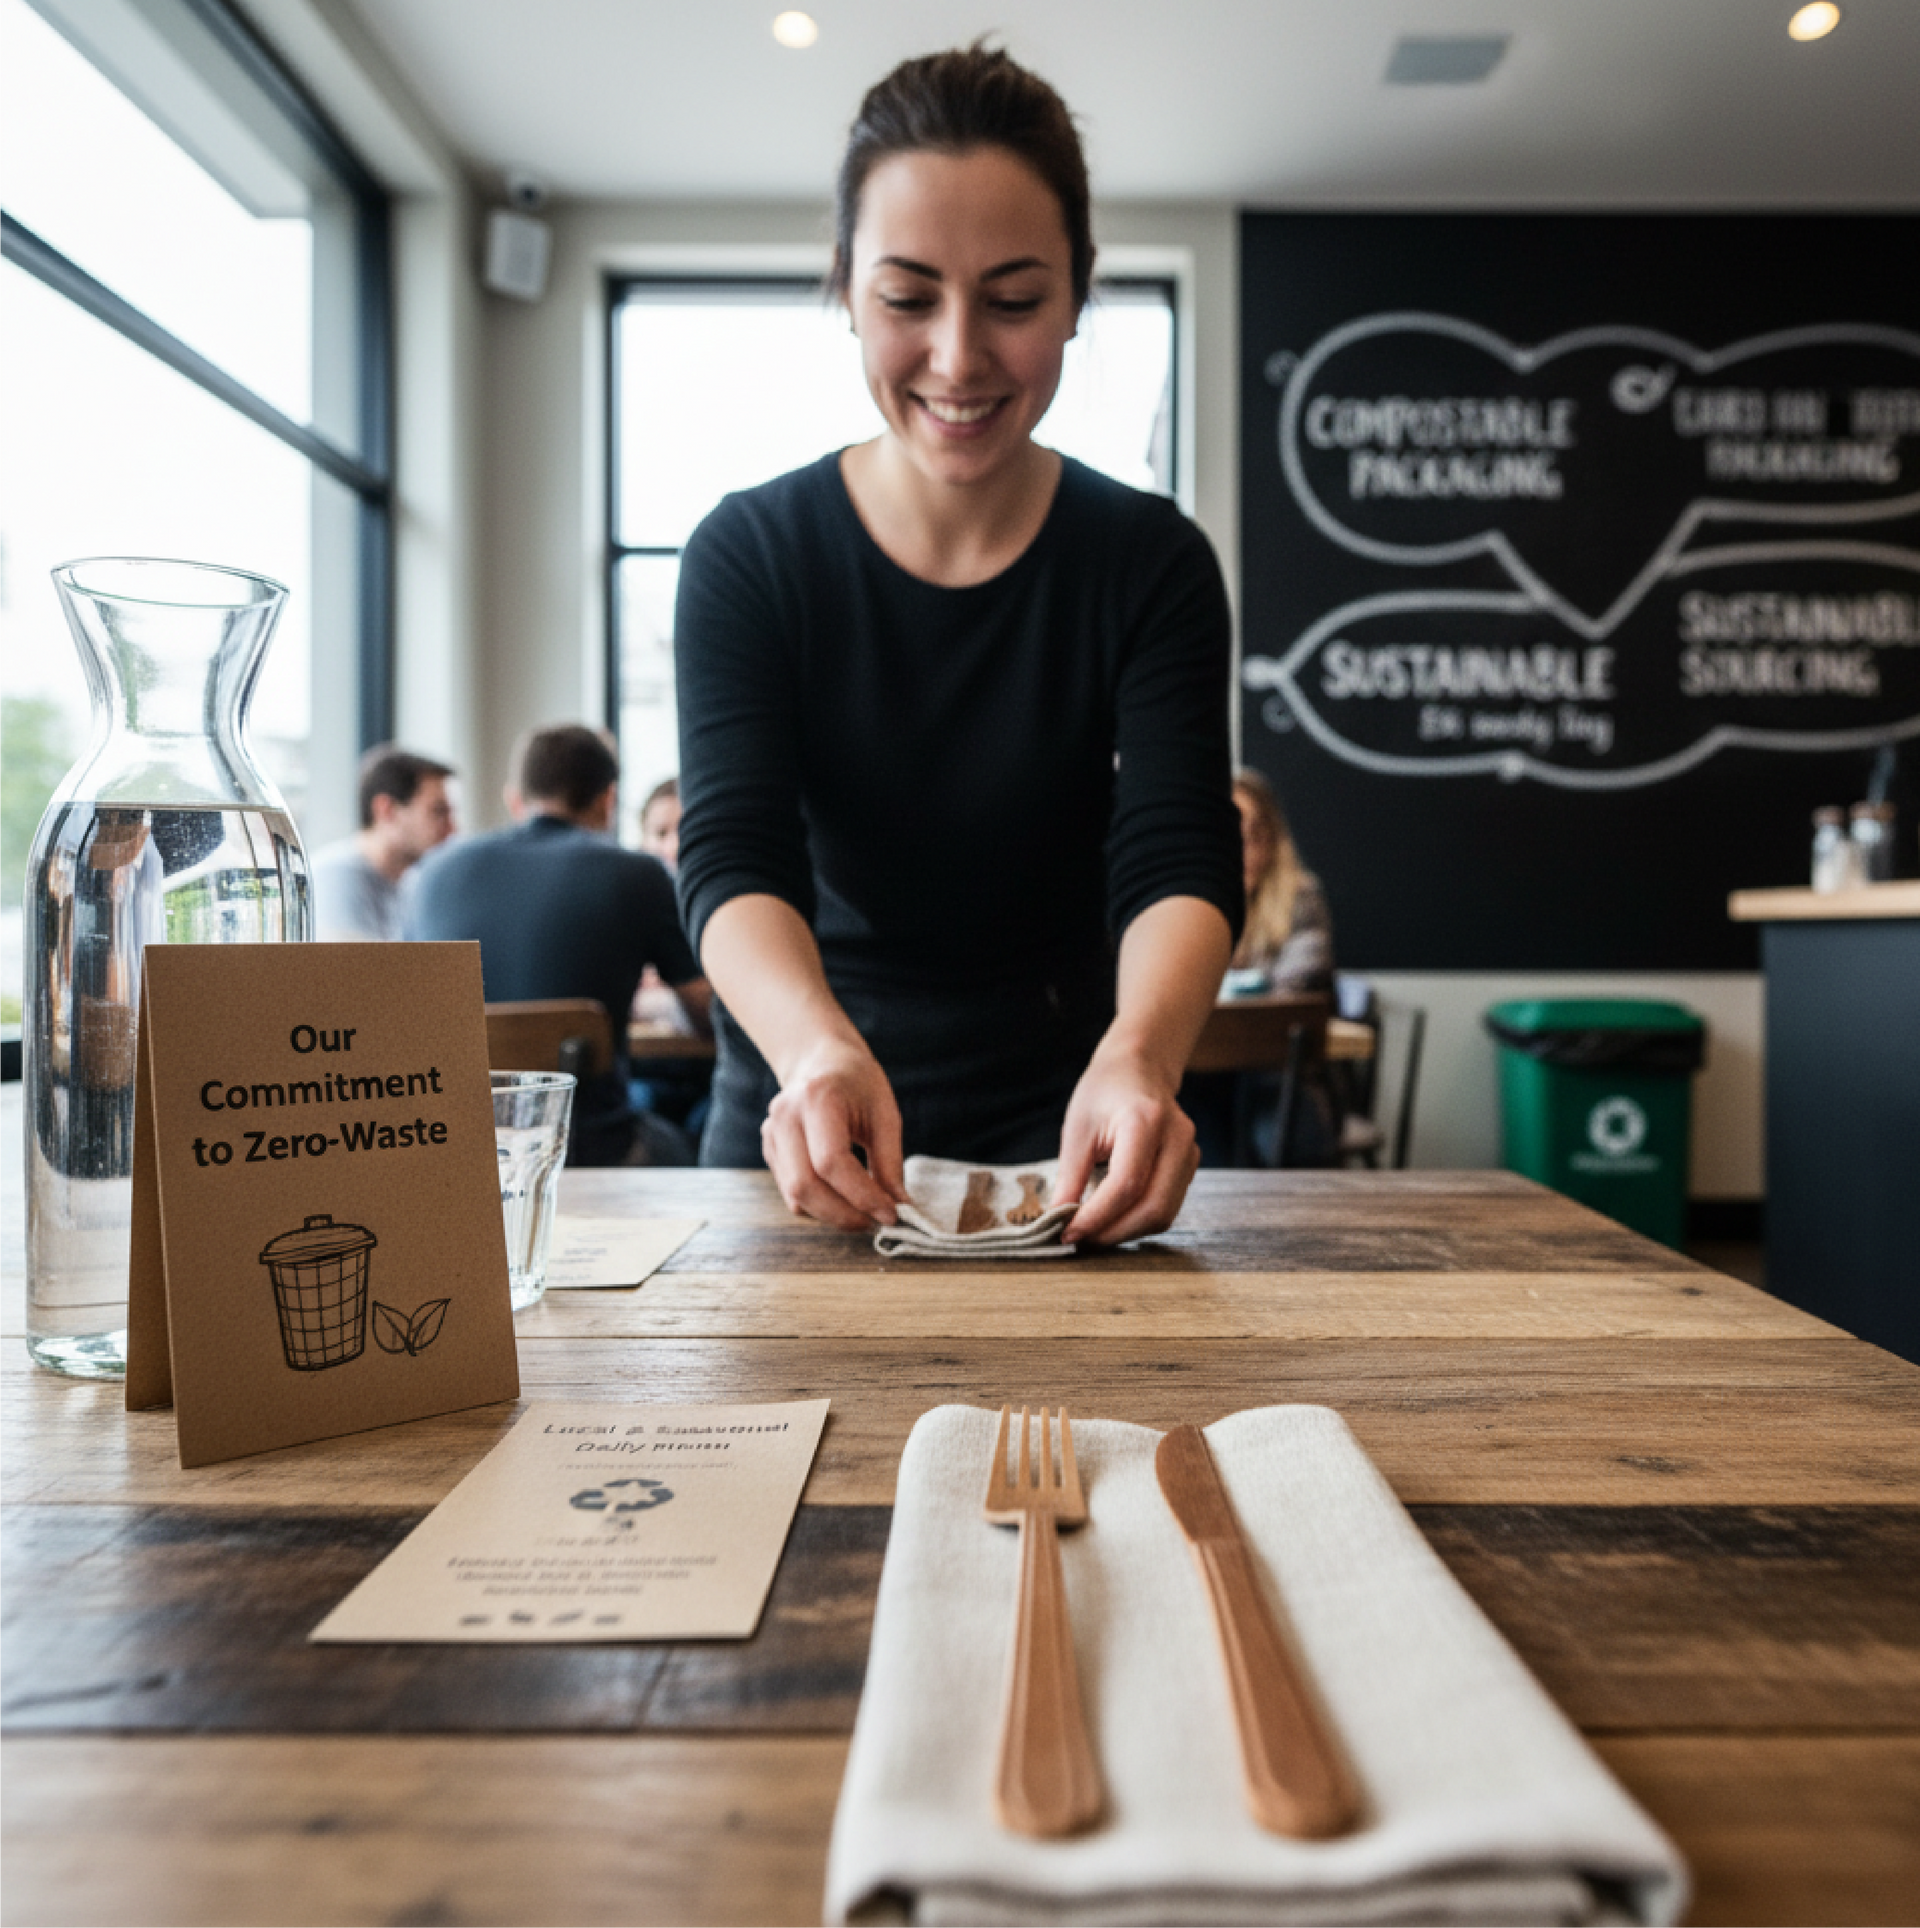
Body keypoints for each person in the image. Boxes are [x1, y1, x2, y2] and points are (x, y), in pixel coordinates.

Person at [674, 44, 1242, 1245]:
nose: (958, 355)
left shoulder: (1151, 562)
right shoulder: (751, 554)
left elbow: (1177, 847)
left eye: (1016, 300)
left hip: (1073, 1136)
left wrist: (1143, 1053)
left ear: (1079, 295)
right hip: (806, 1117)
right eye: (908, 298)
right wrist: (813, 1049)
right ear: (845, 287)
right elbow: (732, 851)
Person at [405, 724, 712, 1166]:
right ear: (608, 799)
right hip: (589, 1147)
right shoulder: (638, 874)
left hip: (451, 1145)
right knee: (695, 1143)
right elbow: (709, 1016)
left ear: (516, 799)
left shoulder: (434, 873)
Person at [308, 745, 456, 940]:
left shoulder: (410, 884)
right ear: (386, 810)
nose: (452, 828)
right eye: (438, 812)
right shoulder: (336, 880)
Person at [1230, 768, 1334, 992]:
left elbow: (1297, 985)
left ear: (1273, 838)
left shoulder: (1300, 898)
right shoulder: (1188, 907)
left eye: (1255, 835)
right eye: (1232, 837)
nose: (1245, 853)